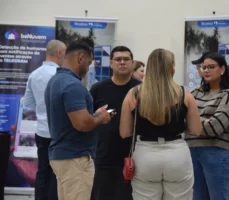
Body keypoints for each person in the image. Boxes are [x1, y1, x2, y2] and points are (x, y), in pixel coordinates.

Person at [120, 48, 202, 200]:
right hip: (177, 154)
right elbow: (196, 130)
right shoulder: (185, 94)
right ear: (171, 67)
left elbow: (125, 132)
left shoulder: (134, 94)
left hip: (145, 155)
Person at [44, 40, 113, 200]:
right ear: (81, 58)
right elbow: (82, 124)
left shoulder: (55, 81)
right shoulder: (72, 85)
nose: (89, 68)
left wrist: (93, 116)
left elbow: (73, 118)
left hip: (62, 155)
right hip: (75, 158)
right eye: (89, 63)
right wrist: (100, 118)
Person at [186, 53, 229, 200]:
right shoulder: (195, 92)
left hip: (217, 151)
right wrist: (203, 120)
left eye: (211, 67)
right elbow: (180, 119)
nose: (206, 70)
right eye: (203, 67)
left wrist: (192, 121)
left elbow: (216, 127)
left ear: (222, 69)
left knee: (218, 197)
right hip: (192, 150)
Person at [90, 46, 141, 200]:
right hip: (105, 155)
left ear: (132, 63)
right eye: (118, 59)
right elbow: (89, 120)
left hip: (135, 155)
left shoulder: (141, 89)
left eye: (126, 59)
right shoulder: (98, 89)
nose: (122, 62)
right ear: (111, 63)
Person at [23, 39, 66, 200]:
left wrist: (42, 108)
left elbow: (28, 103)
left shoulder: (34, 74)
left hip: (41, 131)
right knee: (57, 173)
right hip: (59, 132)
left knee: (42, 172)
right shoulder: (61, 76)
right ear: (59, 53)